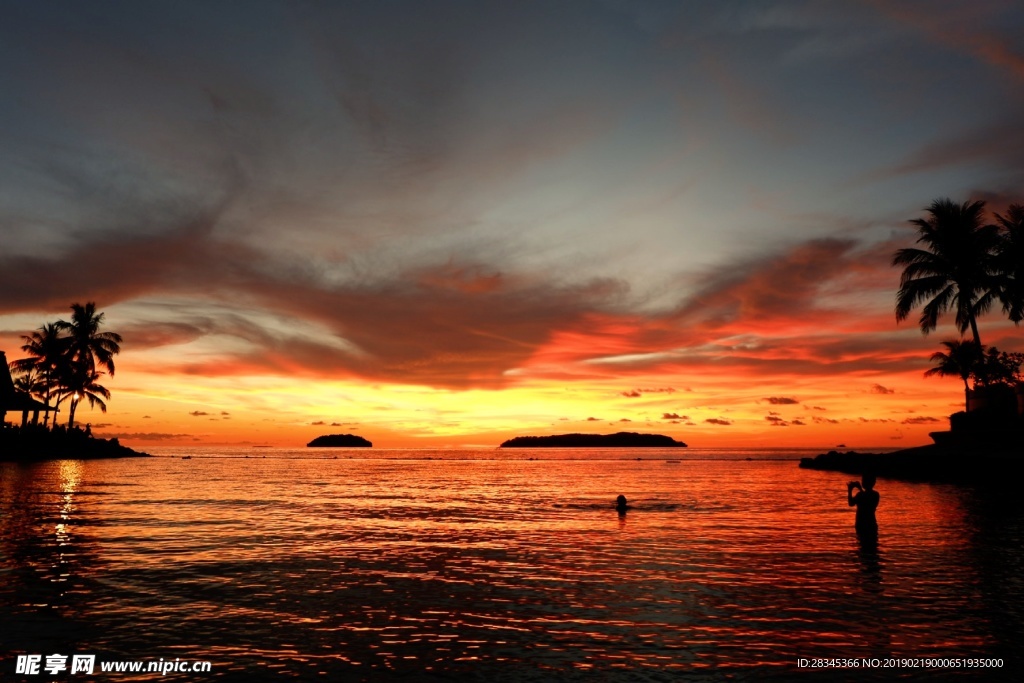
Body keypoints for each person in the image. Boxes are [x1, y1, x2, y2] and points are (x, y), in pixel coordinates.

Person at [848, 473, 879, 537]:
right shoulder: (876, 495)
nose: (862, 482)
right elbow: (852, 503)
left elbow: (851, 503)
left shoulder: (861, 495)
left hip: (862, 524)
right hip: (871, 524)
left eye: (863, 481)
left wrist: (851, 490)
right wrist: (855, 489)